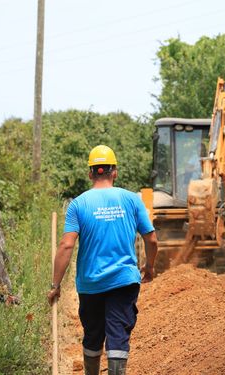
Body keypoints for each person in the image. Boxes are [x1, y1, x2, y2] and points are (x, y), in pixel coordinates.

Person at [47, 145, 158, 375]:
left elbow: (66, 245)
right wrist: (149, 266)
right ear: (114, 171)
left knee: (93, 335)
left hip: (91, 284)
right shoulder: (131, 200)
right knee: (118, 335)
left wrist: (55, 285)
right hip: (124, 281)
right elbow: (152, 239)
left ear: (90, 173)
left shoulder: (78, 204)